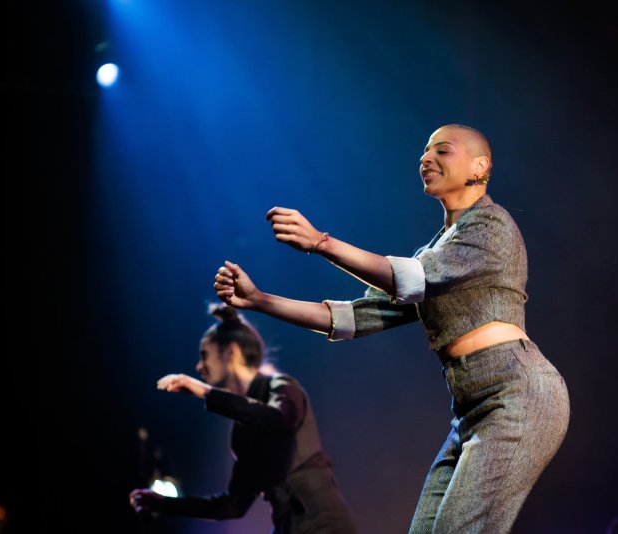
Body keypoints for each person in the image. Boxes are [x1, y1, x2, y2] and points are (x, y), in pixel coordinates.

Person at [214, 123, 570, 533]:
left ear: (480, 165)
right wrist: (259, 300)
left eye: (442, 151)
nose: (426, 159)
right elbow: (350, 318)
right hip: (470, 410)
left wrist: (321, 242)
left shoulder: (492, 227)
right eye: (424, 153)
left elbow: (410, 276)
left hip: (518, 393)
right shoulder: (438, 249)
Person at [128, 303, 357, 534]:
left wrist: (205, 391)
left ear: (230, 352)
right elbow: (233, 505)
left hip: (324, 524)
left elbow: (280, 421)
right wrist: (164, 504)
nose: (199, 366)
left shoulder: (282, 386)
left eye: (204, 355)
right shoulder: (242, 429)